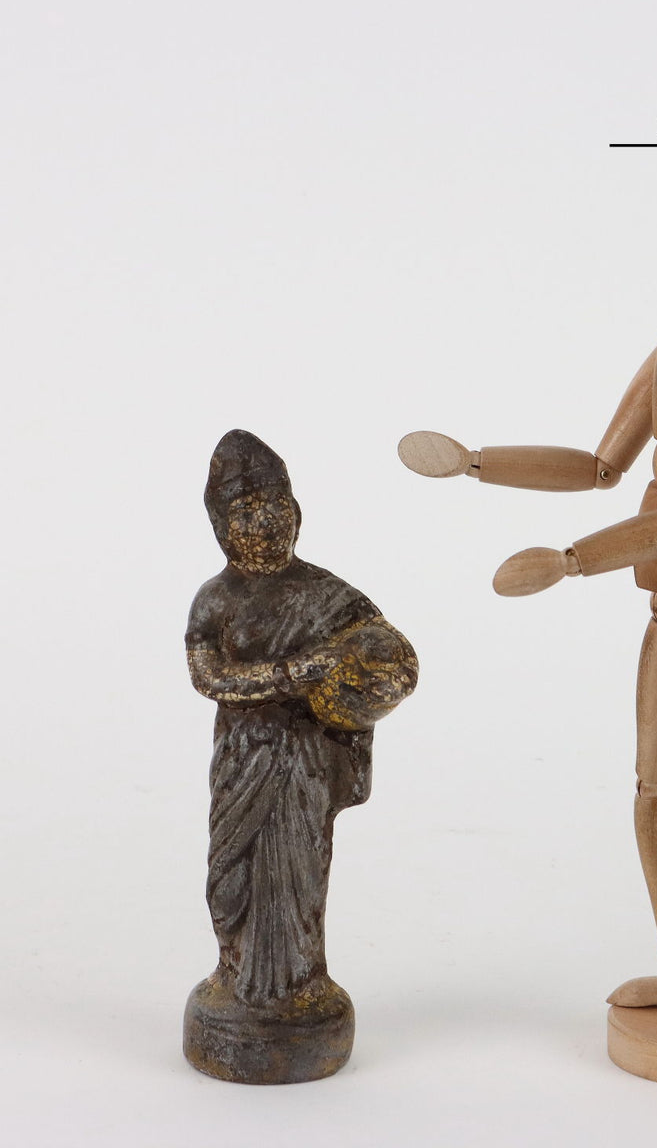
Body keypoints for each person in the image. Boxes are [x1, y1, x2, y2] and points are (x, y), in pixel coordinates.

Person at [183, 429, 417, 1083]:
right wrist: (294, 672)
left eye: (275, 507)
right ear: (221, 525)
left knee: (298, 873)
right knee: (230, 881)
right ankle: (237, 980)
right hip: (242, 759)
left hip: (303, 761)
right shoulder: (215, 599)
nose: (264, 523)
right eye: (246, 511)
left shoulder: (327, 596)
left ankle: (296, 987)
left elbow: (387, 657)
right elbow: (210, 678)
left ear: (297, 513)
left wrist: (369, 679)